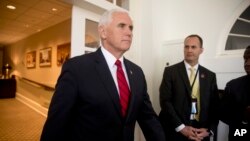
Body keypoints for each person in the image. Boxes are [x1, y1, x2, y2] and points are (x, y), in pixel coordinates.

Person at [40, 9, 165, 141]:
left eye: (131, 28)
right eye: (122, 26)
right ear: (103, 32)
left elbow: (148, 118)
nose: (129, 32)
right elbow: (57, 123)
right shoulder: (76, 68)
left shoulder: (137, 73)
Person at [159, 34, 219, 141]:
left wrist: (209, 130)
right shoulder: (170, 72)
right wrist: (181, 128)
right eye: (186, 47)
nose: (189, 50)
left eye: (193, 47)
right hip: (177, 130)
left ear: (201, 50)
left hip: (201, 131)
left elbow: (215, 106)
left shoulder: (210, 76)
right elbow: (165, 101)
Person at [219, 45, 250, 141]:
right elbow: (223, 114)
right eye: (245, 59)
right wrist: (243, 117)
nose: (247, 63)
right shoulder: (233, 85)